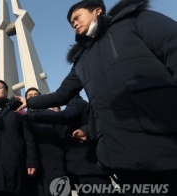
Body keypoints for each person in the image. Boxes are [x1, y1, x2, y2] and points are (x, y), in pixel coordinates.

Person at [16, 0, 177, 195]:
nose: (73, 24)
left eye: (77, 17)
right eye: (70, 23)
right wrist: (29, 102)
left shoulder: (134, 21)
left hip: (164, 135)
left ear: (97, 11)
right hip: (120, 153)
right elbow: (62, 94)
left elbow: (172, 46)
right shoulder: (82, 59)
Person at [27, 94, 113, 196]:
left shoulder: (77, 104)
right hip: (77, 170)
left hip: (88, 168)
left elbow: (65, 116)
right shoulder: (70, 107)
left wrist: (32, 115)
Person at [24, 87, 65, 196]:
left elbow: (62, 135)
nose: (33, 97)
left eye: (36, 95)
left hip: (53, 160)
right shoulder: (22, 118)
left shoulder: (51, 114)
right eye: (30, 96)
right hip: (31, 164)